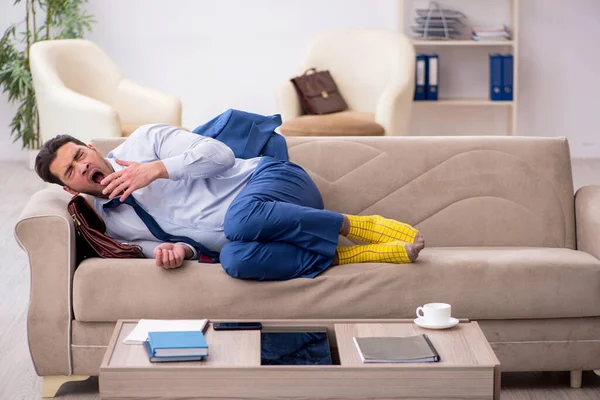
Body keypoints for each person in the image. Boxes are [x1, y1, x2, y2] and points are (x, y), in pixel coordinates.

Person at [34, 124, 425, 281]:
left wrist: (156, 169)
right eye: (70, 171)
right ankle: (352, 257)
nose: (82, 167)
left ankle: (356, 226)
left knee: (239, 222)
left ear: (90, 148)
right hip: (252, 238)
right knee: (235, 262)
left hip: (274, 182)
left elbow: (219, 154)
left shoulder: (146, 140)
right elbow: (175, 244)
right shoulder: (111, 223)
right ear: (71, 189)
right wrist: (178, 250)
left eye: (79, 156)